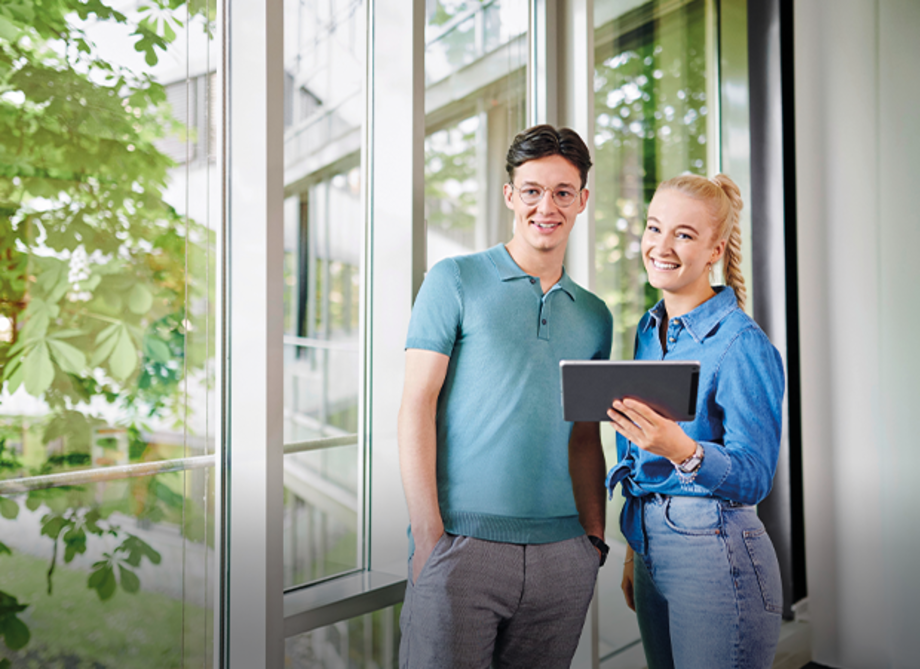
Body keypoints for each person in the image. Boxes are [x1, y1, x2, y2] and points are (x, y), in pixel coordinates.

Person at [397, 125, 613, 669]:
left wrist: (592, 538)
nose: (548, 206)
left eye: (563, 192)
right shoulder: (454, 280)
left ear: (583, 200)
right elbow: (416, 404)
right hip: (461, 549)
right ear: (510, 195)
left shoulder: (594, 316)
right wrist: (429, 539)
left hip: (564, 556)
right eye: (533, 190)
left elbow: (585, 433)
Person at [605, 174, 785, 669]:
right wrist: (634, 552)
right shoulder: (649, 329)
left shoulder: (742, 344)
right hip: (649, 550)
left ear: (714, 250)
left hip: (716, 554)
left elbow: (754, 477)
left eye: (683, 234)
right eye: (653, 227)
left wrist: (682, 449)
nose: (660, 246)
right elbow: (638, 454)